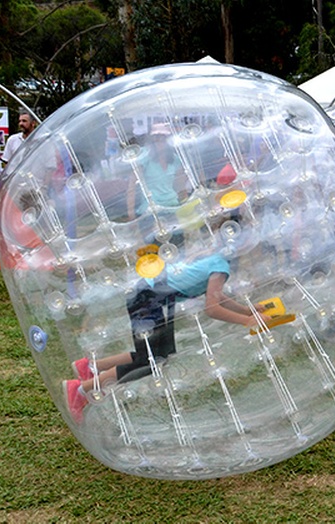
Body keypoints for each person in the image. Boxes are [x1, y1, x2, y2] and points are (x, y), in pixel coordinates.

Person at [62, 215, 289, 423]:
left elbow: (218, 297)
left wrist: (247, 311)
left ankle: (90, 366)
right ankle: (81, 389)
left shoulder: (211, 256)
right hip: (150, 299)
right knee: (150, 360)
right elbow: (212, 308)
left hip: (153, 297)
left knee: (159, 354)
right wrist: (246, 322)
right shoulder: (220, 264)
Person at [127, 123, 187, 219]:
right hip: (151, 210)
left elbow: (181, 188)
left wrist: (185, 210)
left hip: (172, 207)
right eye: (156, 138)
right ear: (151, 140)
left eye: (163, 138)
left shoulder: (175, 159)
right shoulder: (144, 157)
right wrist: (131, 214)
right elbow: (131, 186)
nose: (159, 141)